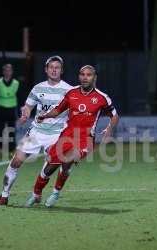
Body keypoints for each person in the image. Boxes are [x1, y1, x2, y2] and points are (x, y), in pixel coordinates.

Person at [25, 65, 119, 208]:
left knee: (67, 159)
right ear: (79, 76)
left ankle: (56, 192)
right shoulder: (71, 93)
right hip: (66, 137)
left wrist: (109, 129)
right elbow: (57, 111)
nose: (85, 77)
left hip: (85, 140)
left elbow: (114, 116)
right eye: (82, 74)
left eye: (89, 75)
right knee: (49, 168)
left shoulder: (101, 97)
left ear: (94, 77)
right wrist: (44, 116)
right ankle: (36, 194)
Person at [0, 56, 72, 206]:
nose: (54, 70)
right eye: (51, 67)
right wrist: (25, 113)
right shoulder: (38, 88)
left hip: (57, 134)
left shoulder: (69, 90)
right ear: (46, 69)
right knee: (16, 161)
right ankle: (4, 196)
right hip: (36, 131)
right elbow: (28, 106)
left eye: (57, 67)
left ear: (61, 70)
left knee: (52, 163)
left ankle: (38, 192)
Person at [0, 64, 21, 152]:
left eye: (9, 70)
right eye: (6, 70)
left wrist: (20, 111)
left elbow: (20, 97)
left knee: (12, 130)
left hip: (12, 109)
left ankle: (12, 148)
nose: (7, 72)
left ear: (12, 72)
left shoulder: (16, 83)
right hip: (0, 108)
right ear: (3, 72)